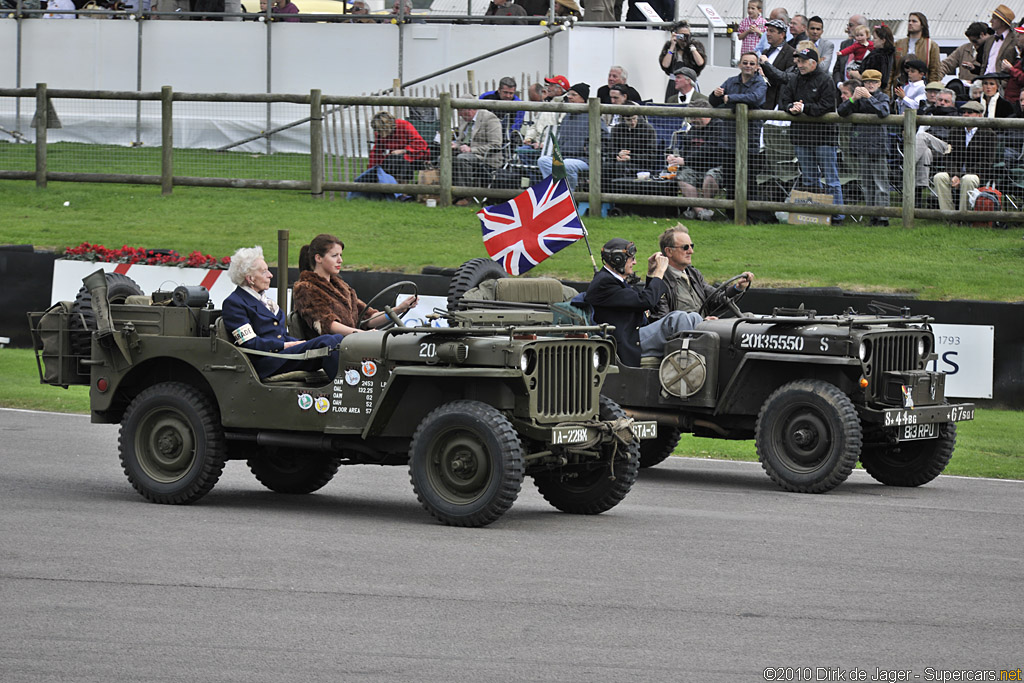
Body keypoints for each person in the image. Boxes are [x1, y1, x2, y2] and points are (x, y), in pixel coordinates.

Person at [221, 246, 345, 381]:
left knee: (338, 340)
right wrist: (284, 346)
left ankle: (350, 387)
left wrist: (298, 343)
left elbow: (282, 336)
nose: (270, 275)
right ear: (250, 279)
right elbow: (250, 343)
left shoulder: (264, 301)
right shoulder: (235, 303)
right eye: (264, 272)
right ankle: (346, 391)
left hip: (281, 356)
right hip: (265, 362)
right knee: (329, 342)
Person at [584, 238, 704, 367]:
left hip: (635, 333)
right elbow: (645, 302)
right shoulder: (604, 283)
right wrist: (660, 272)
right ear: (618, 259)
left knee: (694, 317)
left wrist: (651, 273)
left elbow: (642, 301)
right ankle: (691, 370)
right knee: (678, 319)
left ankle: (700, 364)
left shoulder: (611, 280)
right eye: (631, 258)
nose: (634, 262)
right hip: (627, 341)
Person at [292, 234, 418, 338]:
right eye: (334, 256)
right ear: (318, 258)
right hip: (328, 352)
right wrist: (363, 335)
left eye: (340, 255)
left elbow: (368, 317)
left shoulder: (343, 288)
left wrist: (399, 309)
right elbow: (327, 324)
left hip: (350, 347)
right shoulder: (305, 288)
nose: (340, 260)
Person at [781, 47, 844, 223]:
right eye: (798, 61)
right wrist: (790, 108)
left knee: (831, 178)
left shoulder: (826, 80)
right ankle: (814, 215)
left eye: (802, 61)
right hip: (801, 137)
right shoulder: (794, 80)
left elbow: (827, 106)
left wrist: (805, 108)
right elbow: (784, 100)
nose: (799, 64)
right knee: (809, 178)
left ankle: (837, 215)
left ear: (813, 63)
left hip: (824, 137)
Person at [651, 225, 752, 319]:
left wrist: (737, 288)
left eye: (692, 246)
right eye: (685, 247)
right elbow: (664, 322)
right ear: (669, 251)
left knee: (749, 317)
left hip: (706, 329)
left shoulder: (693, 274)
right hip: (686, 335)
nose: (691, 251)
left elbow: (715, 299)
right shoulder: (659, 280)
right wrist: (701, 322)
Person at [838, 71, 892, 225]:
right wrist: (853, 98)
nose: (870, 84)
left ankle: (883, 217)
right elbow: (841, 111)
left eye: (874, 82)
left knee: (881, 183)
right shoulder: (858, 98)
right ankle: (872, 215)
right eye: (867, 82)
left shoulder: (883, 97)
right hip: (862, 146)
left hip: (878, 147)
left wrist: (869, 97)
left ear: (879, 84)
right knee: (867, 184)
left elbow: (884, 112)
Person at [932, 100, 998, 213]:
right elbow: (948, 156)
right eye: (964, 112)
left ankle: (964, 215)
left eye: (970, 112)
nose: (966, 115)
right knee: (939, 177)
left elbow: (987, 161)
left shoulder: (989, 134)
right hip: (955, 173)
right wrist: (955, 175)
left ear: (980, 115)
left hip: (977, 174)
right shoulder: (955, 131)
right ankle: (949, 216)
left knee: (968, 179)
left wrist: (962, 176)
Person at [537, 83, 605, 191]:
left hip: (585, 160)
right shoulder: (566, 117)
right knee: (543, 161)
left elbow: (604, 138)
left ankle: (569, 193)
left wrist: (588, 149)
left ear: (582, 98)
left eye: (573, 94)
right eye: (569, 94)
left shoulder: (593, 117)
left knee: (567, 165)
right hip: (564, 157)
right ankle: (554, 191)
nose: (569, 97)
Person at [664, 115, 729, 220]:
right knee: (682, 177)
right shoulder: (693, 129)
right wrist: (675, 158)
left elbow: (713, 151)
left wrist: (686, 160)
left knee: (710, 176)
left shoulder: (719, 126)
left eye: (694, 117)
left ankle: (701, 208)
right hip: (695, 167)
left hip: (717, 166)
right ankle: (701, 211)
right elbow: (685, 150)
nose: (692, 121)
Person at [451, 107, 503, 203]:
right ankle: (447, 193)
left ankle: (464, 196)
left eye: (460, 111)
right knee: (444, 158)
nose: (459, 114)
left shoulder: (490, 118)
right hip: (466, 153)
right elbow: (461, 140)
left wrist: (472, 150)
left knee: (462, 159)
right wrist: (455, 145)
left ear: (470, 109)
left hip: (486, 157)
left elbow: (496, 145)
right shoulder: (465, 119)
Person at [368, 111, 429, 185]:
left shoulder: (404, 125)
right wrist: (371, 170)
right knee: (389, 161)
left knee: (398, 160)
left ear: (386, 127)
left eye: (380, 131)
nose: (378, 133)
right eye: (377, 131)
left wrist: (403, 150)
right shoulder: (379, 133)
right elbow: (377, 151)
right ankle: (392, 188)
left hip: (415, 154)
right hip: (396, 157)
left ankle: (403, 190)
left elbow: (421, 144)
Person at [603, 108, 659, 187]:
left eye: (634, 119)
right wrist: (617, 154)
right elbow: (609, 151)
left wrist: (630, 157)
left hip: (640, 165)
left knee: (620, 167)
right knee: (605, 167)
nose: (632, 122)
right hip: (618, 163)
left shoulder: (648, 129)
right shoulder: (616, 129)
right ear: (623, 119)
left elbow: (651, 156)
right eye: (629, 120)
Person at [659, 20, 707, 102]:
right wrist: (672, 46)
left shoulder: (695, 45)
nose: (683, 38)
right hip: (674, 82)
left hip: (689, 81)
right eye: (681, 35)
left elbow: (700, 63)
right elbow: (665, 65)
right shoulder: (669, 46)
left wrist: (692, 48)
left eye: (686, 35)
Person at [894, 12, 941, 85]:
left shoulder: (931, 45)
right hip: (900, 86)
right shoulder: (898, 43)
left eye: (914, 21)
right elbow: (892, 70)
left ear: (922, 25)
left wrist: (931, 90)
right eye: (909, 21)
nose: (910, 23)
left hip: (921, 87)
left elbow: (934, 71)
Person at [759, 18, 795, 110]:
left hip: (778, 102)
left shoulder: (791, 53)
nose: (768, 34)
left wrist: (766, 65)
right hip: (763, 99)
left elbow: (786, 78)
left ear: (782, 35)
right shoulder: (766, 52)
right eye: (767, 30)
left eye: (772, 31)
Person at [978, 5, 1018, 77]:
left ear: (1003, 22)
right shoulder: (989, 40)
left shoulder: (1015, 40)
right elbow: (984, 64)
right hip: (986, 80)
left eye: (994, 18)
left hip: (1002, 82)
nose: (991, 21)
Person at [857, 24, 897, 96]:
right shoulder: (889, 55)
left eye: (875, 38)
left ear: (883, 40)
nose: (872, 40)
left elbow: (869, 76)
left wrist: (853, 73)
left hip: (870, 92)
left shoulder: (877, 57)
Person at [832, 14, 869, 83]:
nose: (848, 28)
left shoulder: (871, 46)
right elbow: (837, 69)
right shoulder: (845, 44)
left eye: (851, 25)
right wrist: (839, 84)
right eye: (848, 25)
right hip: (844, 89)